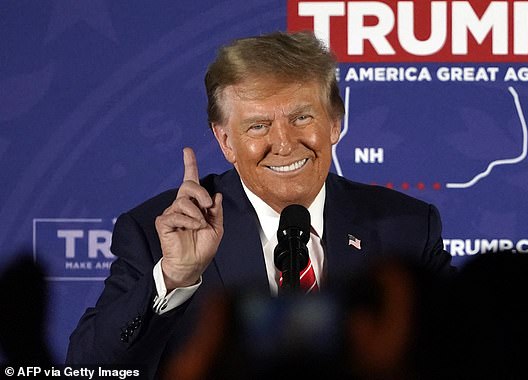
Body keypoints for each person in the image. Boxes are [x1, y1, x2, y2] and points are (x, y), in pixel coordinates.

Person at [67, 31, 453, 377]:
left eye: (302, 117)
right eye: (258, 126)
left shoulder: (408, 228)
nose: (284, 144)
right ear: (225, 141)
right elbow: (89, 369)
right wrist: (174, 278)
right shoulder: (158, 233)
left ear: (335, 123)